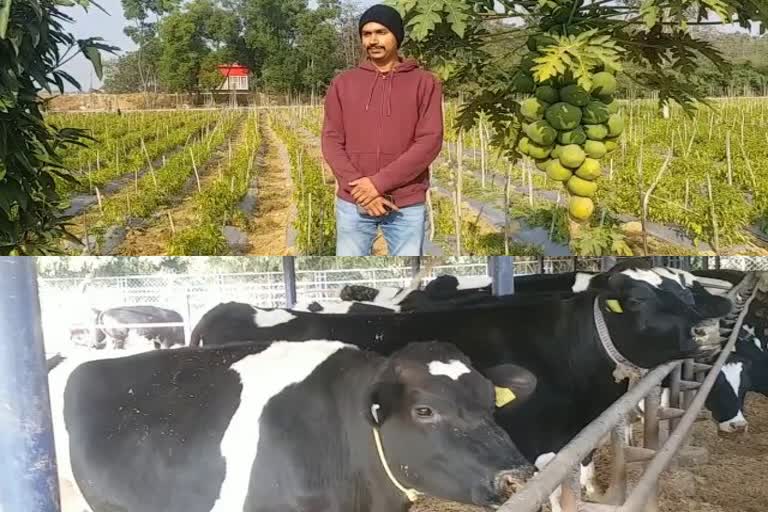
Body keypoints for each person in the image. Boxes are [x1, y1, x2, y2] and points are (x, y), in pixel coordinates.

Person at [321, 4, 444, 256]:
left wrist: (378, 184)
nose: (373, 40)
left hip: (406, 203)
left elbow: (429, 141)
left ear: (396, 36)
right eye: (366, 34)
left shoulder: (425, 82)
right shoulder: (343, 83)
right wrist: (362, 191)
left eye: (381, 32)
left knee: (409, 273)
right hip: (354, 201)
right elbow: (332, 140)